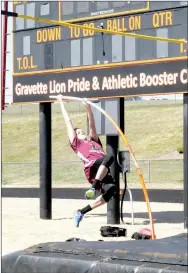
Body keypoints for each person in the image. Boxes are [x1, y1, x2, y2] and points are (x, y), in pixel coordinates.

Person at [56, 95, 117, 227]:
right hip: (92, 167)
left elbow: (92, 124)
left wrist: (88, 107)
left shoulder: (94, 141)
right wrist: (61, 102)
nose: (81, 132)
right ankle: (93, 188)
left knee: (112, 189)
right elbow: (68, 122)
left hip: (102, 168)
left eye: (82, 131)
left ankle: (81, 212)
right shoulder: (76, 143)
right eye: (78, 132)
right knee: (110, 156)